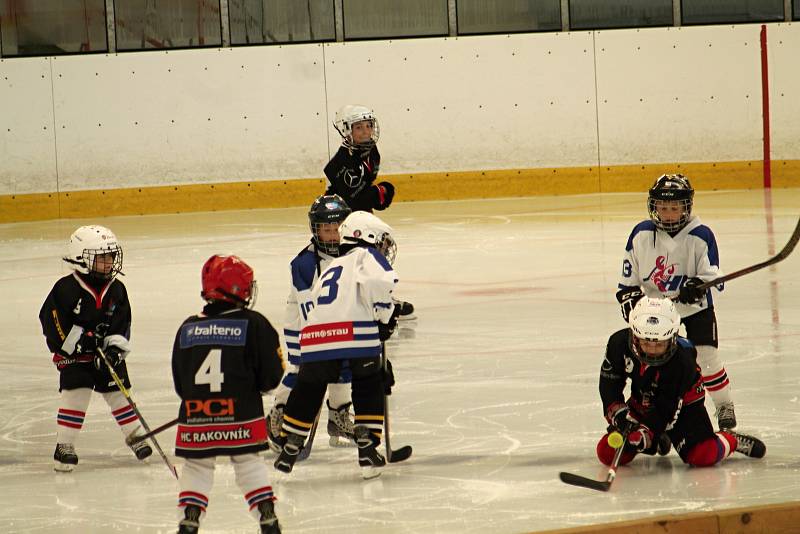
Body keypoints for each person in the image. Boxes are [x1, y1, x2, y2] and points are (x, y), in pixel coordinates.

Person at [273, 211, 400, 479]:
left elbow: (320, 300)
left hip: (316, 339)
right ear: (365, 236)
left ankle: (291, 444)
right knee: (370, 381)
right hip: (354, 336)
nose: (382, 248)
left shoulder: (332, 265)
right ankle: (367, 446)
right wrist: (385, 316)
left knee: (309, 388)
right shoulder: (367, 256)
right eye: (381, 241)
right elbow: (380, 283)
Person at [171, 255, 284, 534]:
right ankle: (267, 516)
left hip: (197, 413)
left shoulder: (187, 326)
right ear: (236, 288)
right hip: (242, 413)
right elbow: (271, 376)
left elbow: (180, 382)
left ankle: (190, 518)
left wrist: (197, 402)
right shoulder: (255, 324)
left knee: (197, 466)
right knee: (248, 462)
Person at [615, 174, 736, 430]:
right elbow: (627, 284)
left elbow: (713, 275)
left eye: (674, 208)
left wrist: (697, 285)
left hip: (694, 308)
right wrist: (634, 306)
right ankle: (658, 417)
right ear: (653, 207)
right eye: (662, 207)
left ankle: (724, 405)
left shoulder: (701, 235)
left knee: (706, 357)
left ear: (686, 207)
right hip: (657, 313)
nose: (668, 214)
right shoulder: (641, 234)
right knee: (653, 362)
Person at [598, 297, 765, 468]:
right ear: (634, 336)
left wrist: (646, 433)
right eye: (646, 343)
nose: (652, 351)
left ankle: (730, 439)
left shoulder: (683, 359)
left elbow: (667, 407)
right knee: (606, 452)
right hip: (644, 400)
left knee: (703, 454)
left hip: (685, 404)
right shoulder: (618, 344)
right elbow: (609, 385)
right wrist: (620, 416)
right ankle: (661, 438)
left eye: (660, 344)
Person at [39, 225, 152, 472]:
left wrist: (114, 349)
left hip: (104, 354)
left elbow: (123, 324)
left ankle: (135, 435)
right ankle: (64, 445)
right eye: (101, 257)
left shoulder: (117, 288)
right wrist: (78, 343)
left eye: (110, 256)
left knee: (119, 393)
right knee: (76, 394)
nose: (108, 262)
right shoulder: (65, 289)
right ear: (82, 258)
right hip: (74, 356)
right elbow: (52, 323)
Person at [267, 194, 358, 450]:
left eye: (337, 229)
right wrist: (320, 345)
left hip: (339, 318)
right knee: (300, 370)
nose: (332, 234)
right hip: (302, 323)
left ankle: (338, 416)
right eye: (326, 229)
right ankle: (279, 413)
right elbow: (310, 309)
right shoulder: (304, 264)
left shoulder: (353, 254)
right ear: (315, 229)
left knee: (343, 366)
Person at [325, 104, 414, 319]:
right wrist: (379, 193)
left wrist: (376, 195)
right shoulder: (340, 163)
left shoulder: (371, 151)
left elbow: (366, 193)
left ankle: (379, 298)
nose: (366, 131)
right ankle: (360, 302)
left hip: (360, 212)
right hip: (342, 213)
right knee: (356, 254)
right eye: (359, 128)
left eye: (368, 126)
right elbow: (358, 195)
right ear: (347, 131)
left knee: (378, 248)